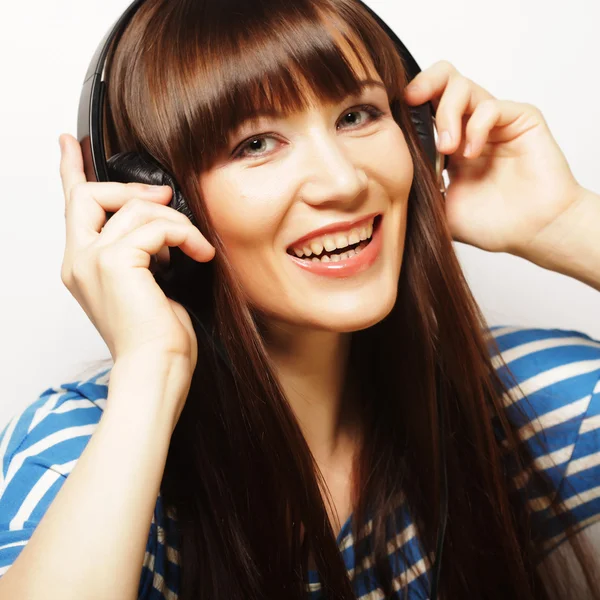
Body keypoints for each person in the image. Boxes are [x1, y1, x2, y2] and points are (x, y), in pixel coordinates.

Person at [0, 0, 599, 598]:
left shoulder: (518, 403)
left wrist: (566, 224)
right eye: (256, 143)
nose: (344, 181)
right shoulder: (81, 449)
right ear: (152, 196)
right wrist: (151, 368)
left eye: (358, 115)